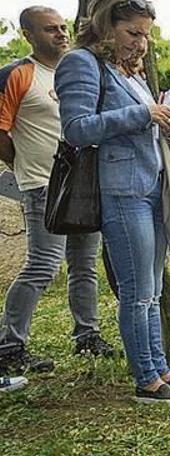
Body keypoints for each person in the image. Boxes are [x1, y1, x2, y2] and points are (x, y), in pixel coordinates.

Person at [57, 0, 170, 404]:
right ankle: (146, 379)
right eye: (133, 33)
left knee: (152, 289)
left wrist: (168, 123)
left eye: (146, 35)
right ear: (107, 26)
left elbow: (145, 119)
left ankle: (161, 370)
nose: (142, 44)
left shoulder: (128, 72)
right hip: (121, 191)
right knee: (137, 291)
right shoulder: (81, 63)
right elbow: (76, 129)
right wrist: (144, 113)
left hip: (152, 186)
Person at [0, 5, 118, 378]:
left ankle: (88, 335)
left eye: (63, 27)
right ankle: (10, 344)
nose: (61, 34)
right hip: (42, 185)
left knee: (84, 265)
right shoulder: (18, 74)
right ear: (28, 35)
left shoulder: (78, 71)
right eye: (50, 29)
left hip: (84, 185)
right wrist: (22, 164)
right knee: (43, 264)